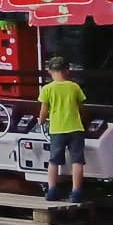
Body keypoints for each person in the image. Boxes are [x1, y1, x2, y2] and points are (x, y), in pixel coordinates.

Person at [37, 56, 87, 202]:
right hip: (75, 128)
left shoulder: (47, 89)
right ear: (67, 70)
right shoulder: (74, 87)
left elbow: (43, 111)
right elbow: (81, 108)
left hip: (57, 129)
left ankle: (52, 191)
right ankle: (76, 193)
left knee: (53, 161)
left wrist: (41, 120)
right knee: (77, 161)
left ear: (50, 71)